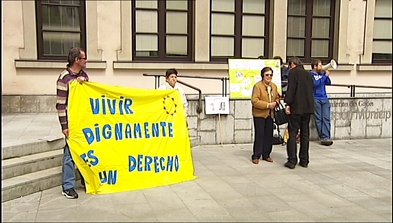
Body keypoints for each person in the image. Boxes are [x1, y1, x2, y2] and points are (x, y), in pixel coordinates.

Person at [56, 47, 88, 199]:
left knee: (83, 149)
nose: (86, 61)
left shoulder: (83, 75)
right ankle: (67, 186)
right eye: (84, 58)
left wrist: (84, 82)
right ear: (77, 60)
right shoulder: (64, 78)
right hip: (72, 122)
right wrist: (65, 126)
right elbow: (61, 104)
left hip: (83, 121)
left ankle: (84, 179)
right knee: (69, 153)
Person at [284, 57, 314, 169]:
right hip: (308, 108)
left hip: (296, 108)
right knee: (305, 134)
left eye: (289, 65)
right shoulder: (308, 74)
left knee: (292, 133)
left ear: (293, 64)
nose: (288, 68)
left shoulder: (293, 73)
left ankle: (292, 160)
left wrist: (287, 103)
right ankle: (304, 160)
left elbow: (291, 89)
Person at [251, 67, 280, 164]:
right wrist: (267, 105)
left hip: (270, 114)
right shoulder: (257, 86)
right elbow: (254, 101)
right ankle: (256, 155)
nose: (269, 77)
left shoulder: (274, 86)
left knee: (269, 135)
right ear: (263, 75)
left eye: (271, 75)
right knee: (260, 135)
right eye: (267, 75)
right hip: (259, 114)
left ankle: (266, 154)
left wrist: (276, 102)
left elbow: (277, 98)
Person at [311, 59, 333, 146]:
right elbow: (315, 84)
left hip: (324, 98)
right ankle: (323, 137)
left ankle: (327, 136)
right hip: (316, 98)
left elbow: (328, 82)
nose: (321, 66)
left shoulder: (322, 74)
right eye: (320, 65)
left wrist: (326, 75)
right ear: (315, 66)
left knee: (326, 118)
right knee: (319, 119)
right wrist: (324, 76)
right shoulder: (311, 74)